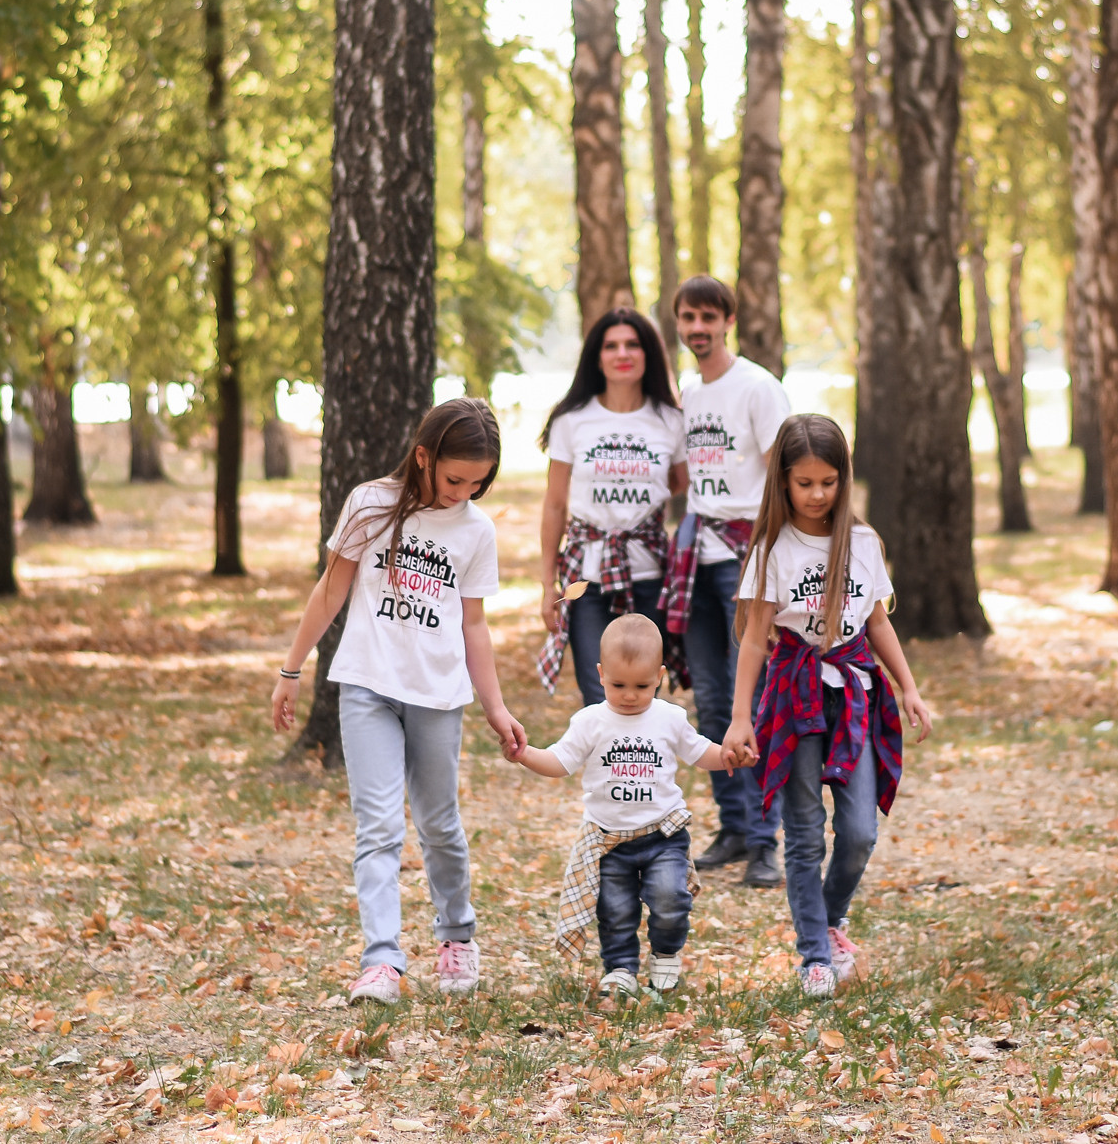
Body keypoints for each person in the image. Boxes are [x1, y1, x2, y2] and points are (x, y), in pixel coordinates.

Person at [270, 398, 527, 1005]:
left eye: (478, 482)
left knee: (440, 825)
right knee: (379, 827)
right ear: (423, 457)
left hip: (438, 695)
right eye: (453, 477)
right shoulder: (370, 504)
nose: (463, 491)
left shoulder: (475, 531)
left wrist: (494, 707)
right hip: (367, 686)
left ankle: (457, 936)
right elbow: (331, 588)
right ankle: (381, 961)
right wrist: (291, 666)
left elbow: (474, 628)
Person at [723, 414, 934, 998]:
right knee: (806, 836)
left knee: (860, 831)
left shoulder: (863, 544)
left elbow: (877, 621)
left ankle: (830, 917)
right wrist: (741, 718)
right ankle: (813, 952)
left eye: (828, 482)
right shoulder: (772, 548)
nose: (817, 495)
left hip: (855, 696)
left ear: (844, 478)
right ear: (783, 482)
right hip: (795, 700)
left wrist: (909, 687)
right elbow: (754, 639)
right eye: (804, 483)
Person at [508, 614, 734, 995]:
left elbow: (700, 753)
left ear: (660, 676)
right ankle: (620, 969)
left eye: (642, 685)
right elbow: (560, 761)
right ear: (600, 674)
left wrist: (728, 755)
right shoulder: (590, 721)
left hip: (663, 835)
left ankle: (665, 953)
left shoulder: (669, 718)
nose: (630, 695)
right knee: (614, 910)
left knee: (669, 898)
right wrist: (525, 754)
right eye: (618, 685)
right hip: (608, 839)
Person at [661, 275, 791, 887]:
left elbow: (788, 472)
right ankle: (734, 826)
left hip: (748, 556)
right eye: (688, 317)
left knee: (754, 702)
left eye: (709, 317)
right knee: (711, 701)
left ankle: (767, 839)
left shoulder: (759, 388)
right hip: (697, 554)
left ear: (728, 321)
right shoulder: (689, 391)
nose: (698, 328)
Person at [537, 308, 688, 706]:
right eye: (611, 345)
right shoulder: (572, 421)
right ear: (597, 356)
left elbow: (681, 484)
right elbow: (554, 505)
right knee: (597, 693)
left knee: (644, 694)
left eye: (633, 344)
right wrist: (545, 585)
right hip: (587, 582)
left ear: (648, 353)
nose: (622, 353)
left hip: (651, 577)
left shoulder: (670, 420)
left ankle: (645, 770)